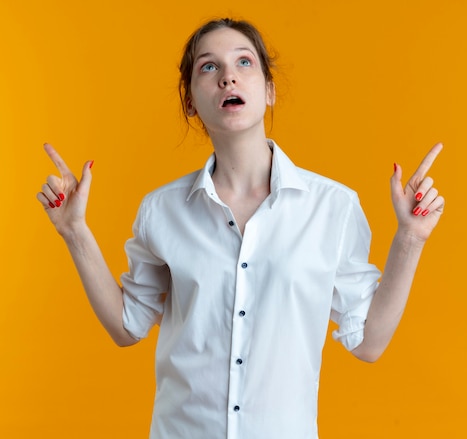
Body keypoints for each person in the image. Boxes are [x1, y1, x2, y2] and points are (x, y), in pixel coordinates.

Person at [36, 17, 445, 439]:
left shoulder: (332, 207)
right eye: (208, 67)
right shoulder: (162, 210)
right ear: (191, 100)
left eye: (244, 62)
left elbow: (369, 343)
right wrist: (74, 231)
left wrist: (410, 238)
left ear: (268, 90)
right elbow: (127, 327)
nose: (228, 75)